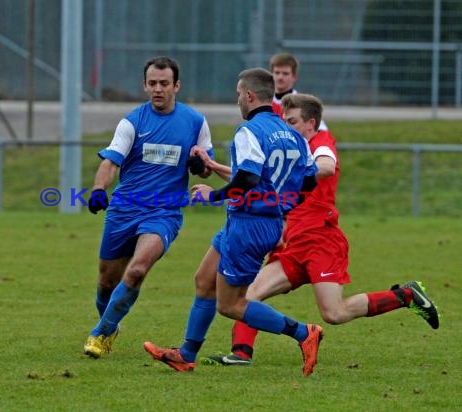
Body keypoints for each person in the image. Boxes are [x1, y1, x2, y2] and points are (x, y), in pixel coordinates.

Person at [200, 93, 440, 367]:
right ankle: (241, 353)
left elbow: (326, 166)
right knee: (248, 296)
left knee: (334, 313)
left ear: (311, 123)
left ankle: (407, 296)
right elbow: (257, 179)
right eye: (285, 121)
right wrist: (214, 166)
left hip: (321, 241)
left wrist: (305, 172)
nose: (287, 127)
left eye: (292, 122)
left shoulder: (319, 144)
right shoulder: (290, 147)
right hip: (294, 244)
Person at [143, 68, 323, 376]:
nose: (238, 100)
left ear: (250, 96)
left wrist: (212, 196)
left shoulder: (249, 132)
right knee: (203, 280)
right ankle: (186, 355)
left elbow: (249, 179)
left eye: (239, 94)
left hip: (248, 226)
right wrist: (279, 211)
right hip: (252, 222)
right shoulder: (293, 135)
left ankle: (304, 333)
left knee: (230, 305)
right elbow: (308, 184)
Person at [83, 56, 214, 358]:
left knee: (138, 270)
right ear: (145, 86)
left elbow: (206, 167)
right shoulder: (132, 122)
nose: (158, 89)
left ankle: (99, 332)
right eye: (152, 83)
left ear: (176, 86)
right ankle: (110, 325)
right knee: (106, 280)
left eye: (164, 84)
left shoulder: (195, 122)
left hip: (164, 213)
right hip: (125, 210)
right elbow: (110, 161)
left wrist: (199, 165)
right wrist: (100, 189)